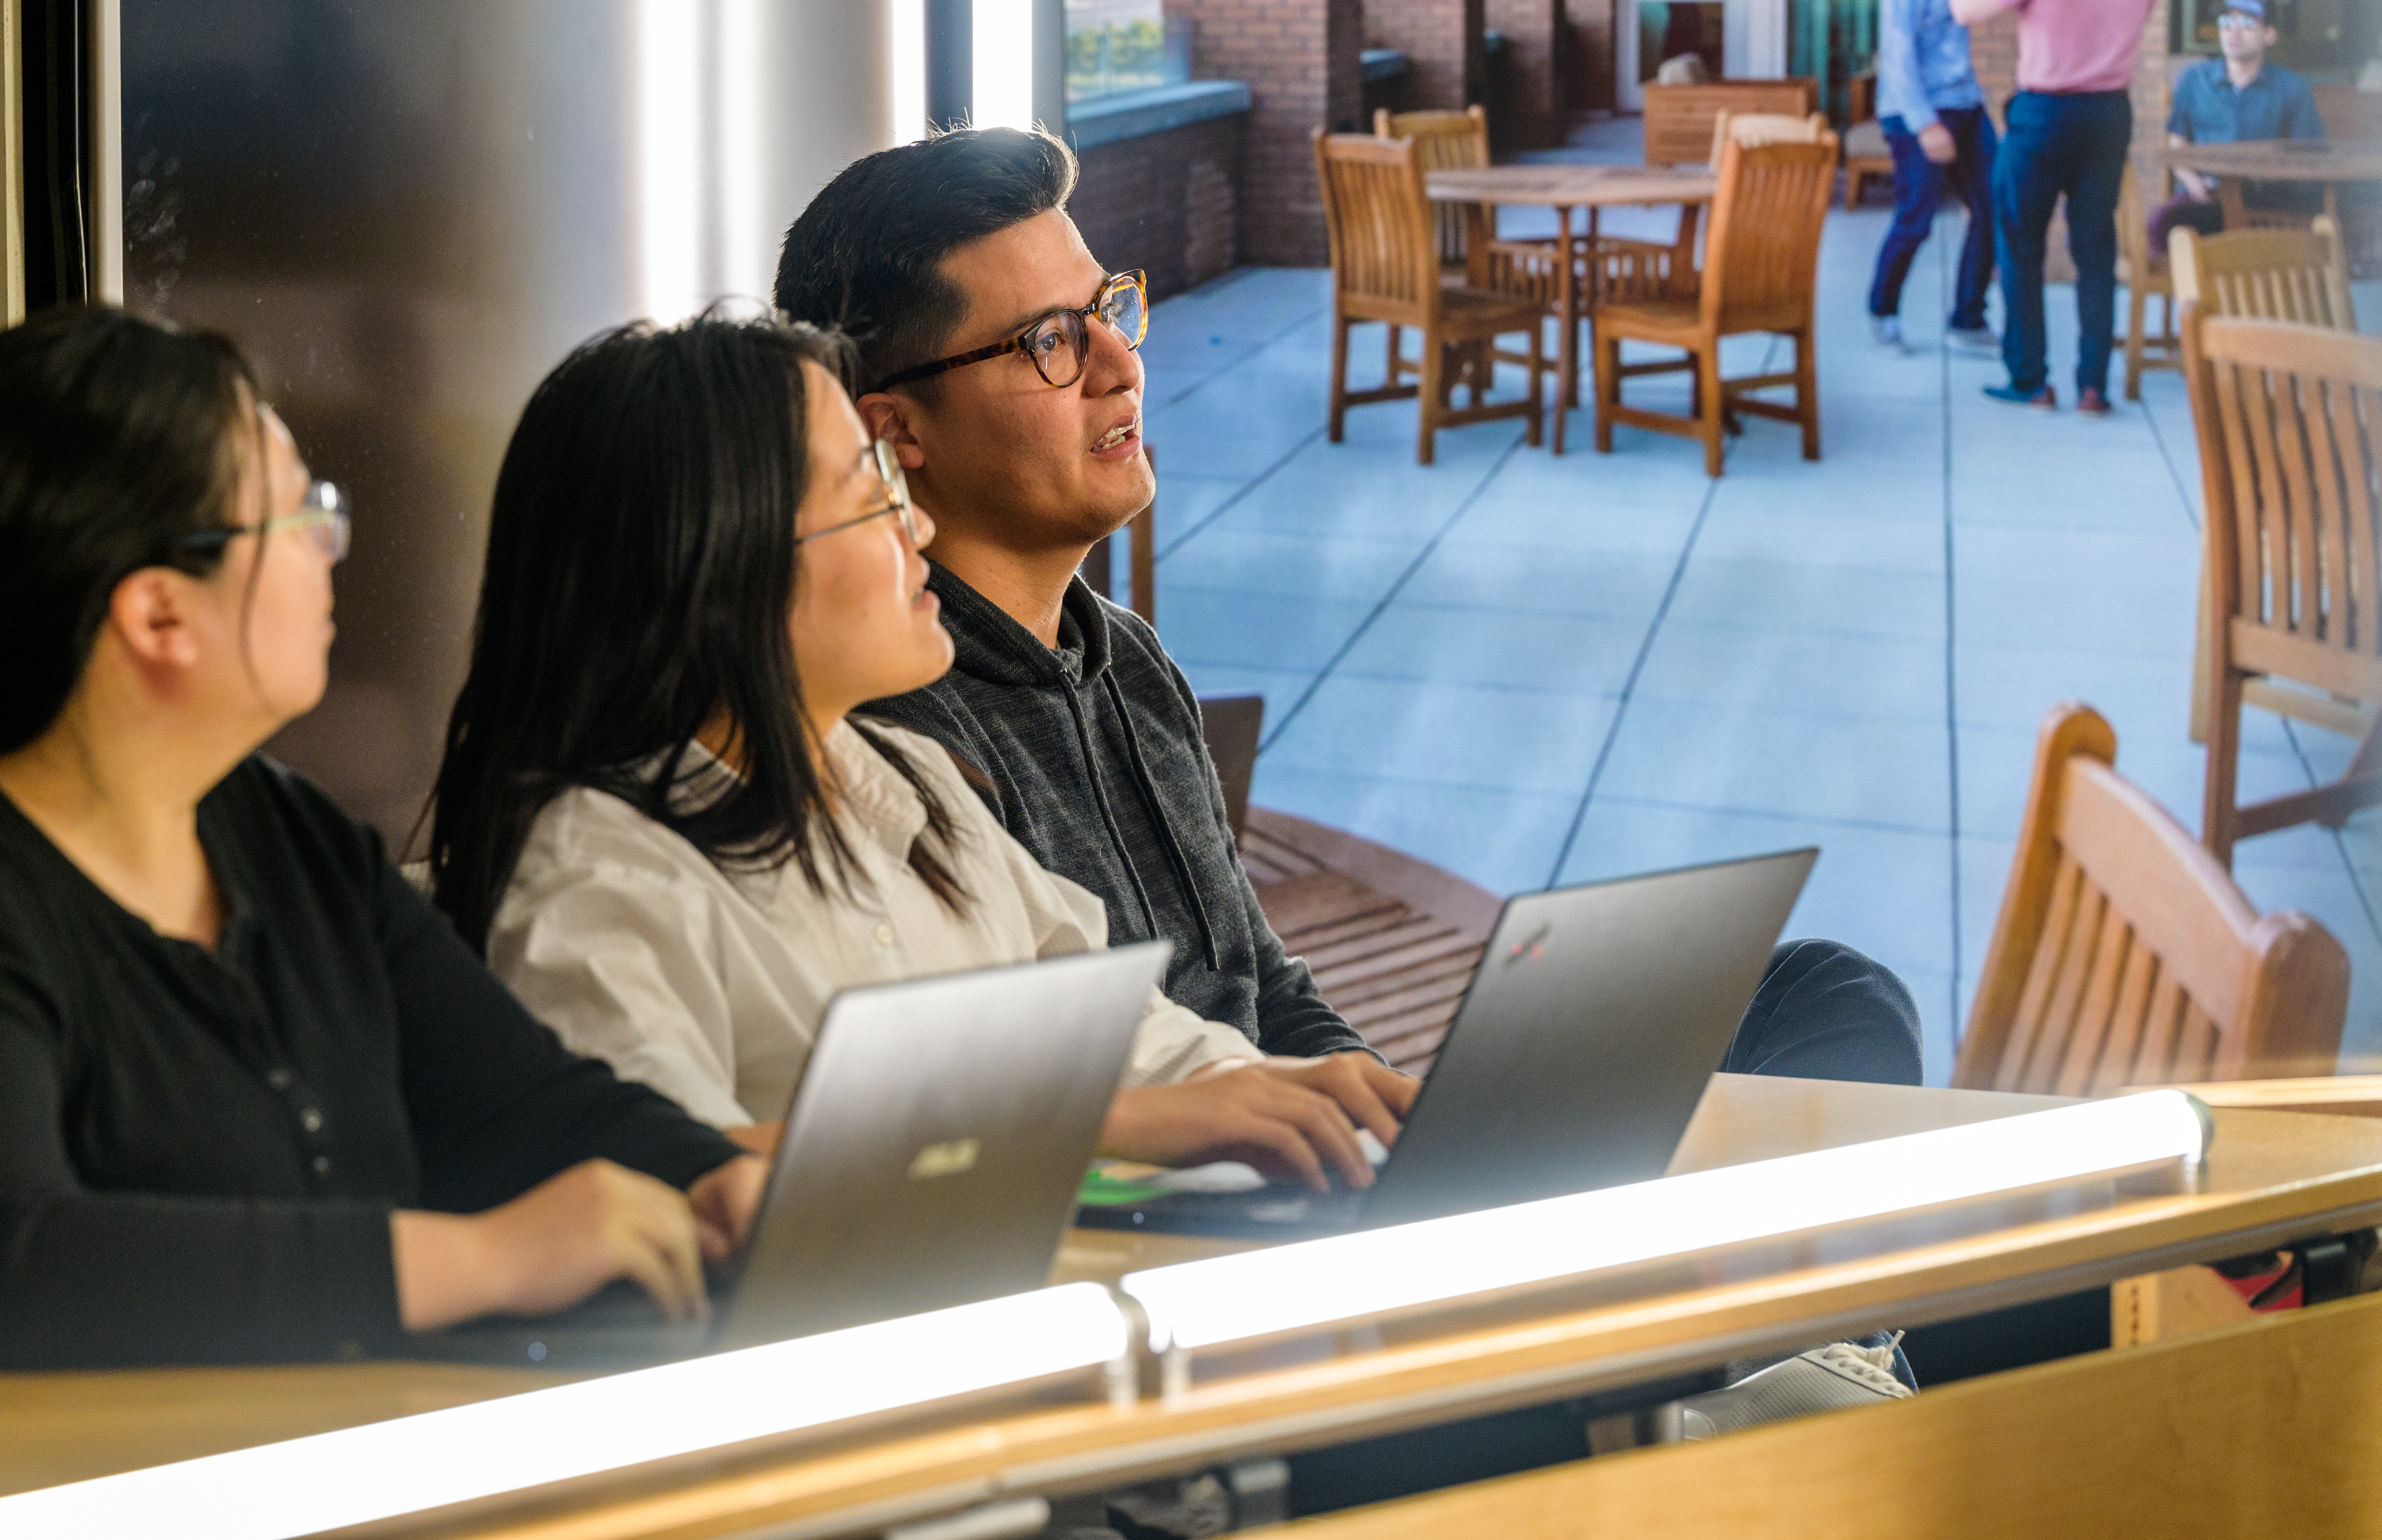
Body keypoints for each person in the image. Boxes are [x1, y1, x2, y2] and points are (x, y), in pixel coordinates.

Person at [771, 126, 1925, 1097]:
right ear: (896, 432)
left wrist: (1374, 1110)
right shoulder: (900, 748)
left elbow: (1267, 985)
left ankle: (1821, 1340)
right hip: (1210, 1261)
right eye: (1052, 344)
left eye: (1107, 313)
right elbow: (1025, 1131)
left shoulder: (1124, 660)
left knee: (1826, 992)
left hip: (1324, 1179)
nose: (1122, 363)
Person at [0, 307, 765, 1394]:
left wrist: (714, 1176)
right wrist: (475, 1257)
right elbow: (3, 1257)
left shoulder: (289, 836)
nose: (331, 549)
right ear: (160, 616)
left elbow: (525, 1101)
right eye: (299, 516)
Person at [427, 314, 1415, 1193]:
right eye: (875, 495)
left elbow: (1130, 1038)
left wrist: (1320, 1097)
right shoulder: (597, 874)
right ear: (721, 558)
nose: (922, 525)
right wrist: (1094, 1125)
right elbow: (663, 1182)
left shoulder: (908, 780)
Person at [1949, 0, 2157, 415]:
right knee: (2095, 249)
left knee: (2021, 247)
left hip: (2043, 115)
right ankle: (2094, 386)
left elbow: (1969, 12)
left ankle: (2031, 381)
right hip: (2109, 115)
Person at [1868, 0, 1997, 354]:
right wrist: (1926, 124)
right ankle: (1882, 311)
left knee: (1993, 210)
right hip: (1915, 109)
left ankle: (1967, 319)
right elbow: (1897, 55)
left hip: (1966, 105)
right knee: (1916, 218)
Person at [2151, 0, 2327, 255]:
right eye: (2226, 22)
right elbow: (2178, 144)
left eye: (2247, 23)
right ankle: (2191, 297)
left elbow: (2310, 155)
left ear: (2269, 35)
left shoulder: (2292, 88)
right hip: (2205, 198)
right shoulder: (2193, 80)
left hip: (2266, 202)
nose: (2234, 32)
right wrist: (2193, 182)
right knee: (2162, 224)